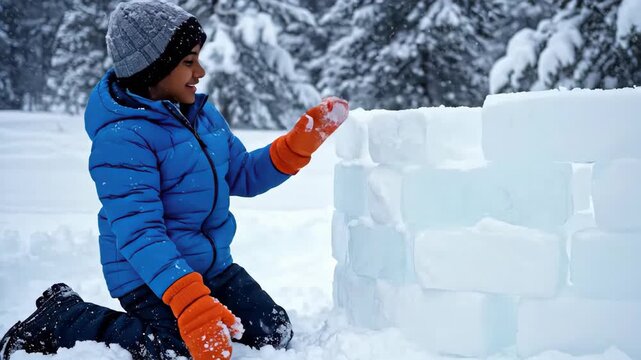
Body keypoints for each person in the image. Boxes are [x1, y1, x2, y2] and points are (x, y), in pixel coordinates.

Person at [0, 1, 349, 359]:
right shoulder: (122, 139)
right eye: (188, 62)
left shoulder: (201, 115)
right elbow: (140, 233)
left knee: (273, 330)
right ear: (152, 69)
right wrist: (190, 304)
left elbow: (241, 174)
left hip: (212, 267)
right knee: (177, 349)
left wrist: (293, 148)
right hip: (149, 276)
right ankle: (64, 318)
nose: (200, 71)